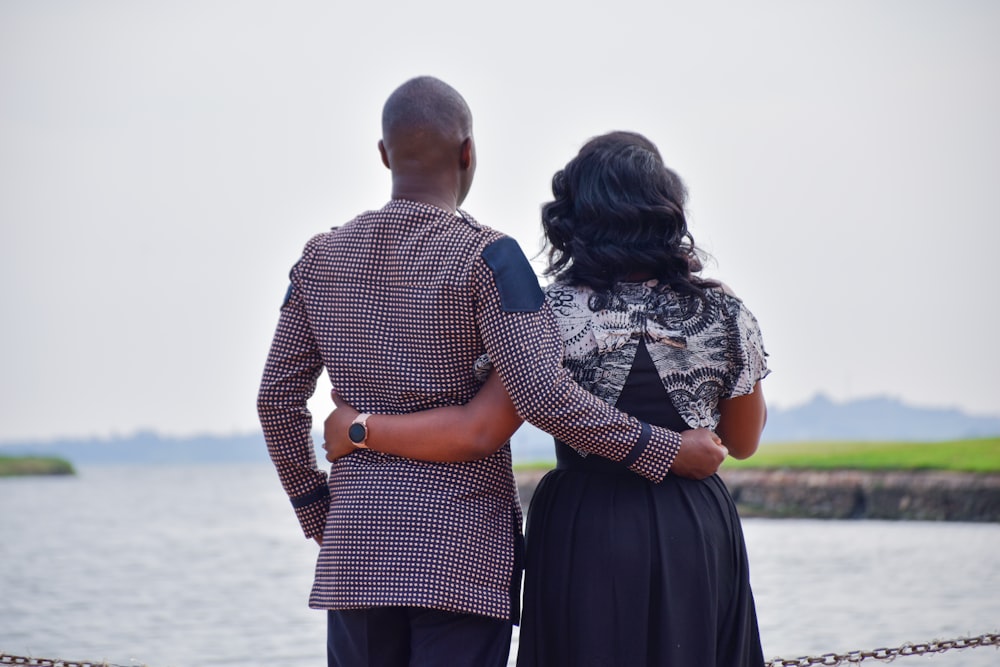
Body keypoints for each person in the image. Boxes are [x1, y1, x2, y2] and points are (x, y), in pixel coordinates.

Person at [257, 78, 726, 667]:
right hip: (462, 560)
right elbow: (543, 396)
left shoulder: (318, 258)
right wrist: (665, 449)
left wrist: (315, 510)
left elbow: (276, 401)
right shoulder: (491, 258)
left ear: (384, 154)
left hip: (353, 556)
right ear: (468, 152)